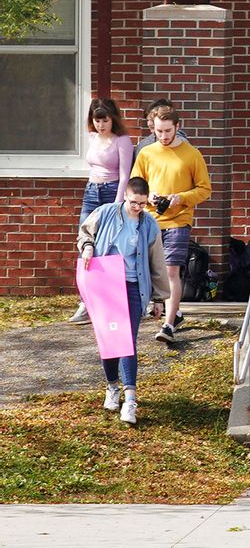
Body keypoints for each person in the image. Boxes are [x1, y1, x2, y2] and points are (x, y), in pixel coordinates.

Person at [77, 176, 169, 425]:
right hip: (106, 283)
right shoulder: (105, 213)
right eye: (133, 202)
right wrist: (87, 247)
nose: (137, 207)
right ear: (125, 197)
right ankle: (112, 387)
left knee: (127, 341)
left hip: (133, 286)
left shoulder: (149, 225)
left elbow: (157, 263)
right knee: (109, 340)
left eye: (141, 203)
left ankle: (130, 401)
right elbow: (85, 232)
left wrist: (159, 298)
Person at [130, 106, 211, 345]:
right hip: (150, 218)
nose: (163, 136)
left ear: (177, 127)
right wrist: (150, 195)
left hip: (179, 219)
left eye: (168, 131)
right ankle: (171, 310)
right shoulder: (146, 153)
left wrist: (181, 197)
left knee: (171, 270)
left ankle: (168, 323)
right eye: (158, 132)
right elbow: (136, 185)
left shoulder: (192, 154)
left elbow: (204, 189)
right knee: (146, 267)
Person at [69, 98, 134, 325]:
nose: (101, 125)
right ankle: (85, 302)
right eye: (97, 121)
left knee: (110, 245)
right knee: (85, 241)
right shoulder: (92, 137)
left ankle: (112, 301)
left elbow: (125, 175)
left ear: (112, 119)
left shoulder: (122, 141)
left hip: (110, 192)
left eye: (105, 121)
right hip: (91, 191)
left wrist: (117, 205)